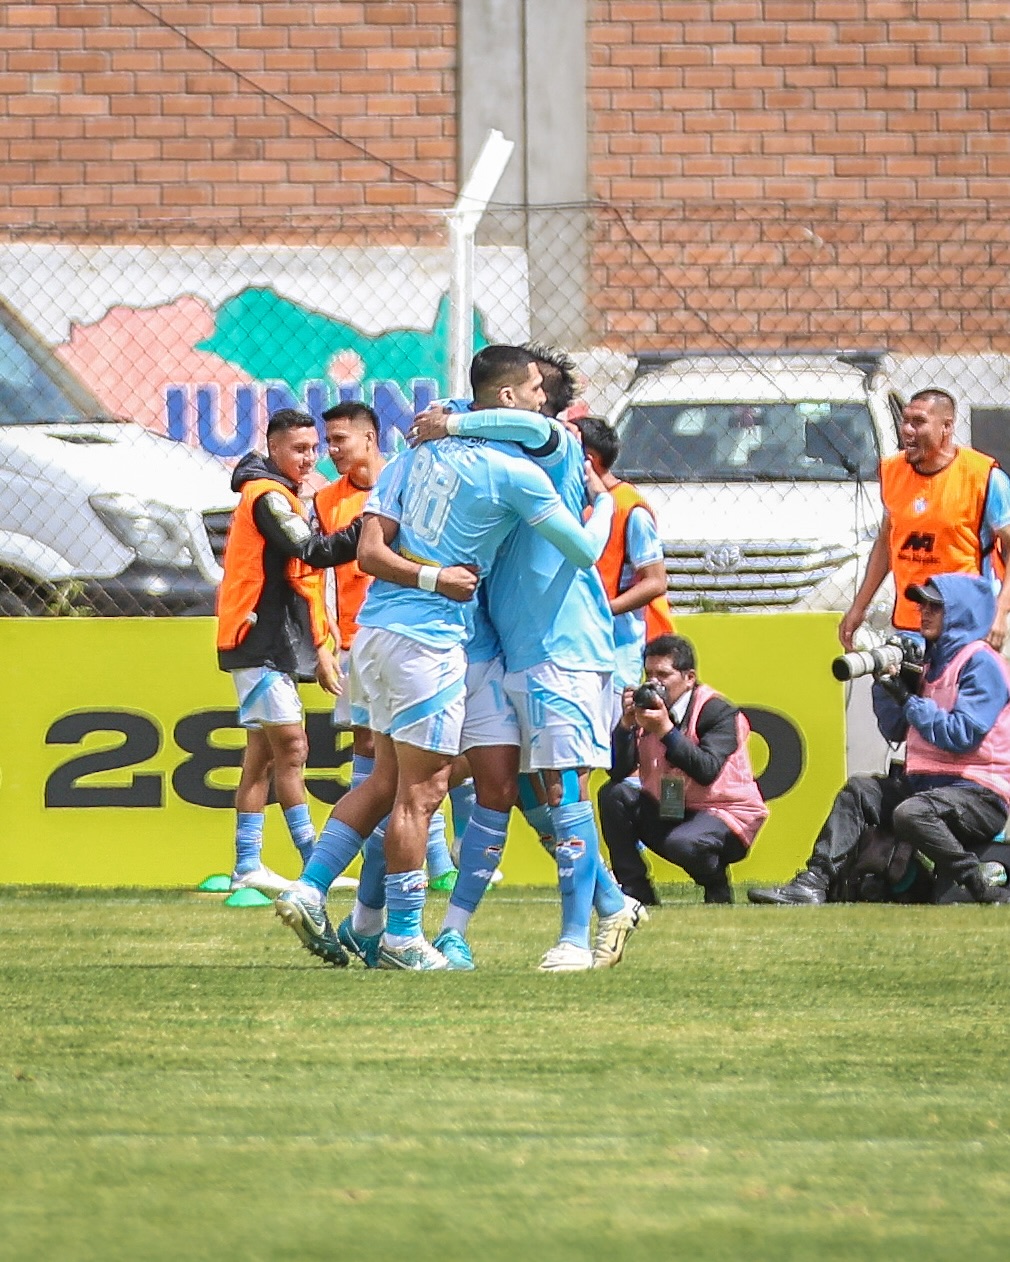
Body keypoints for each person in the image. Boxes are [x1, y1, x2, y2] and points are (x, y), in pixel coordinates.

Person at [275, 346, 616, 970]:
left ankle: (313, 889)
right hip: (432, 642)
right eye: (534, 390)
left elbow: (369, 554)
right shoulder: (519, 469)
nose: (542, 402)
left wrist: (449, 422)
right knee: (422, 792)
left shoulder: (411, 454)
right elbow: (585, 550)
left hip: (372, 634)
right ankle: (404, 937)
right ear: (509, 398)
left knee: (383, 782)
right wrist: (608, 506)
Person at [751, 573, 1010, 906]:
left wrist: (908, 699)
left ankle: (978, 883)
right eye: (922, 605)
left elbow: (961, 735)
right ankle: (813, 883)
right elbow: (895, 730)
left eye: (935, 607)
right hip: (927, 788)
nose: (924, 613)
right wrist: (887, 686)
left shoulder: (981, 662)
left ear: (960, 612)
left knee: (911, 813)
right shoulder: (930, 662)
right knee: (859, 791)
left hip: (978, 794)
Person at [216, 408, 362, 899]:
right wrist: (370, 527)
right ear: (273, 448)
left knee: (261, 756)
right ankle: (313, 864)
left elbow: (305, 578)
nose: (310, 458)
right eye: (299, 449)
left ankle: (247, 865)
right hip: (257, 639)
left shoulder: (279, 494)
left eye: (314, 448)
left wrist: (320, 643)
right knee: (292, 748)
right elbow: (312, 551)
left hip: (263, 640)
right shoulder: (268, 497)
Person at [600, 634, 767, 905]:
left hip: (726, 814)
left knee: (683, 844)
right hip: (672, 807)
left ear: (689, 678)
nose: (654, 683)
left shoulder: (718, 712)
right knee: (614, 794)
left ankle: (716, 885)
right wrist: (626, 726)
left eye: (663, 675)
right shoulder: (649, 708)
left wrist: (665, 730)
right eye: (649, 674)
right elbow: (619, 772)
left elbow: (706, 770)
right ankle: (635, 890)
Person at [839, 388, 1010, 651]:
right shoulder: (893, 472)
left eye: (918, 422)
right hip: (910, 624)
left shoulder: (984, 477)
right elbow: (886, 543)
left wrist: (1000, 613)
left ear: (946, 427)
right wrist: (859, 607)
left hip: (967, 625)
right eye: (905, 421)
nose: (907, 430)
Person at [571, 414, 674, 697]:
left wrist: (604, 609)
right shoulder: (573, 502)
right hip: (576, 646)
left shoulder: (631, 510)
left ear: (588, 460)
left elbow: (655, 582)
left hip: (616, 653)